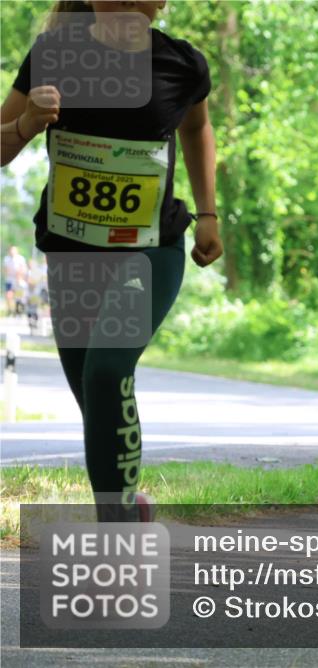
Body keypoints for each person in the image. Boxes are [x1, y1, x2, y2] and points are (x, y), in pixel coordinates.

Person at [1, 0, 223, 521]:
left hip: (149, 251)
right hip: (73, 255)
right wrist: (28, 123)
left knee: (105, 373)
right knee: (95, 395)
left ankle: (117, 531)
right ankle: (130, 506)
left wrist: (209, 213)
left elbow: (196, 128)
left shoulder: (182, 64)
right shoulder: (54, 55)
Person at [4, 245, 27, 316]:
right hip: (10, 280)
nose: (12, 252)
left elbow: (23, 269)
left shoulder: (20, 258)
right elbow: (5, 269)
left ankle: (20, 310)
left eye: (13, 250)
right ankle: (10, 310)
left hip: (18, 280)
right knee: (8, 295)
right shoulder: (6, 259)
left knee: (19, 296)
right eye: (11, 250)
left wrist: (19, 277)